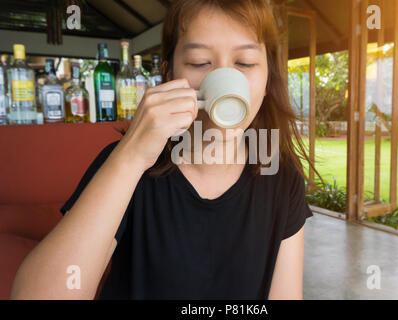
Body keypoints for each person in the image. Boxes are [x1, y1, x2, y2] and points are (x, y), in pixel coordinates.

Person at [11, 0, 318, 300]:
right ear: (169, 74)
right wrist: (131, 155)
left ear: (267, 78)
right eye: (200, 63)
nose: (224, 81)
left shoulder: (280, 176)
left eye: (245, 63)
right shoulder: (127, 167)